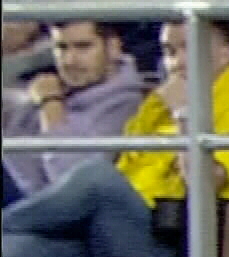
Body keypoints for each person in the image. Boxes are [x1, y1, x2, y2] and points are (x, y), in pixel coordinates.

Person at [1, 19, 229, 257]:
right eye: (169, 51)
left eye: (190, 49)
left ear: (224, 54)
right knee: (9, 253)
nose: (177, 62)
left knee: (97, 177)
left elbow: (205, 182)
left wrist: (184, 115)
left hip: (172, 248)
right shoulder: (158, 103)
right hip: (113, 230)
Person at [3, 21, 146, 200]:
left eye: (83, 47)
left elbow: (69, 185)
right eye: (61, 48)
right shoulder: (58, 88)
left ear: (113, 48)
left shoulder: (126, 103)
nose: (69, 61)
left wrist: (51, 103)